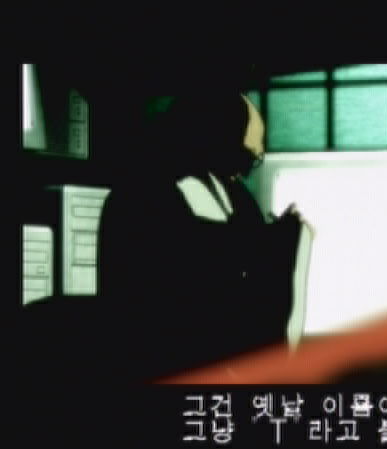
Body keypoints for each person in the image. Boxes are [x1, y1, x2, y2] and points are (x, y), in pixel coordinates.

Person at [96, 93, 307, 381]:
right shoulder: (143, 196)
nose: (248, 167)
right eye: (246, 153)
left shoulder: (236, 196)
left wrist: (280, 243)